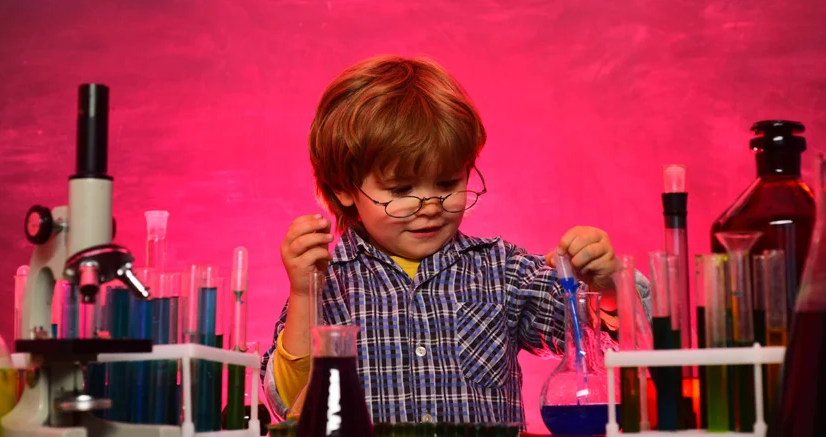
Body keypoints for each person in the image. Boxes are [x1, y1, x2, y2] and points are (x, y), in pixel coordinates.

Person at [260, 55, 650, 428]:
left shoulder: (503, 272)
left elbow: (610, 349)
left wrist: (608, 285)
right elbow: (286, 405)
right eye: (400, 189)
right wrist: (303, 294)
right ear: (344, 189)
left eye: (447, 183)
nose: (430, 206)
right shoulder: (327, 285)